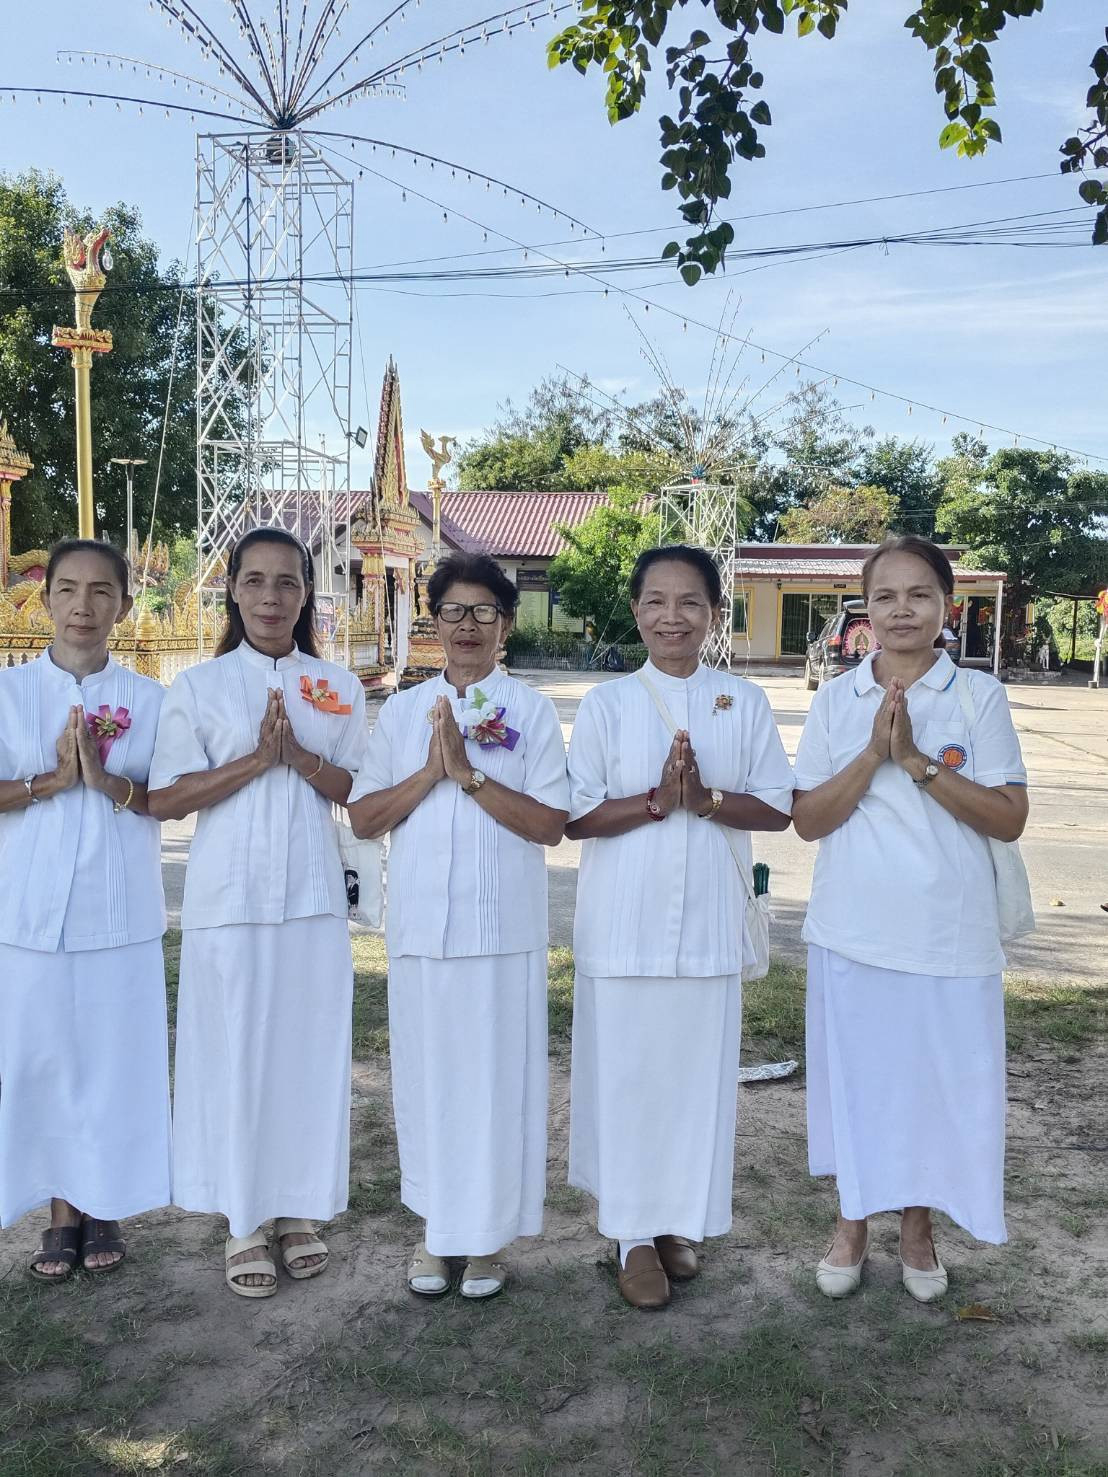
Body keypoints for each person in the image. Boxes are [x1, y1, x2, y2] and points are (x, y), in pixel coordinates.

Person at [792, 534, 1029, 1302]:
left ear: (945, 607)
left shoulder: (977, 697)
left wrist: (920, 761)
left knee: (931, 1085)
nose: (902, 610)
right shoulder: (836, 699)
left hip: (948, 934)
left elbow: (1008, 816)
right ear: (864, 608)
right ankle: (851, 1224)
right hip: (854, 929)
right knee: (858, 1083)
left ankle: (918, 1230)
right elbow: (808, 821)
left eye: (919, 594)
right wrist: (873, 756)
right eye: (886, 595)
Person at [565, 545, 793, 1310]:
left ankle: (674, 1224)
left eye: (690, 601)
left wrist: (710, 798)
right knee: (628, 1080)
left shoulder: (745, 701)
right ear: (635, 612)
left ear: (714, 614)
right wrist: (659, 802)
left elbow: (780, 805)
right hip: (622, 925)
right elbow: (578, 815)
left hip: (708, 928)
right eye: (656, 601)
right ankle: (629, 1233)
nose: (672, 616)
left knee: (692, 1083)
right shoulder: (606, 705)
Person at [148, 527, 366, 1298]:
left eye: (288, 582)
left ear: (307, 594)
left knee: (305, 1052)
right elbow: (167, 797)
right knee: (235, 1053)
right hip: (229, 900)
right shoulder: (198, 689)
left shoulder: (337, 686)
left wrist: (301, 759)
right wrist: (253, 761)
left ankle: (297, 1206)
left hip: (309, 898)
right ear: (231, 590)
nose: (271, 596)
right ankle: (244, 1217)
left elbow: (362, 796)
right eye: (256, 581)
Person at [349, 552, 568, 1300]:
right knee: (429, 1080)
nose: (467, 626)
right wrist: (432, 770)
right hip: (421, 932)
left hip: (502, 931)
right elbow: (365, 813)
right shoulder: (406, 712)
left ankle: (486, 1239)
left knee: (493, 1082)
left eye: (484, 612)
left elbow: (548, 824)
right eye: (453, 611)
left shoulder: (531, 711)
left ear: (505, 625)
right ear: (432, 620)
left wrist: (471, 774)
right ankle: (436, 1228)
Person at [0, 540, 170, 1281]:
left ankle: (107, 1202)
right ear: (44, 599)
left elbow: (167, 798)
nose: (83, 605)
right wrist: (50, 780)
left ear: (124, 607)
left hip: (118, 908)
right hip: (29, 913)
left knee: (112, 1062)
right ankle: (60, 1210)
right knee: (44, 1063)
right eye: (67, 589)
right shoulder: (8, 694)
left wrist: (104, 782)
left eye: (102, 592)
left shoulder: (150, 701)